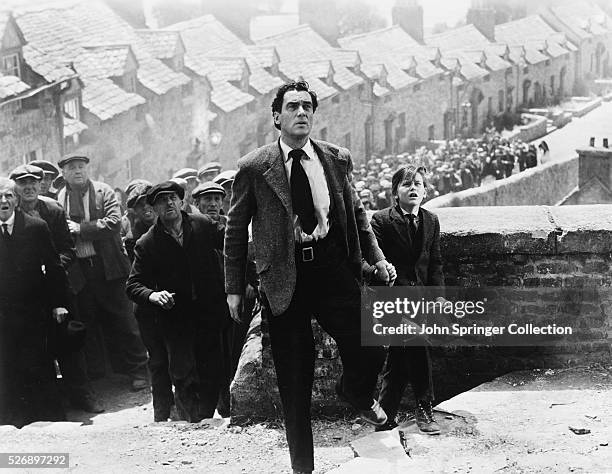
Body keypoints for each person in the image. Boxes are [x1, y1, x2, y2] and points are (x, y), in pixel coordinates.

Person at [224, 81, 393, 474]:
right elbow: (234, 229)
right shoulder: (255, 167)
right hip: (284, 278)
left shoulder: (335, 158)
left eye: (307, 107)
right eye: (293, 107)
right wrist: (234, 287)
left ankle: (355, 391)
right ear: (276, 117)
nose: (301, 113)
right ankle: (303, 467)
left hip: (332, 269)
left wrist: (378, 259)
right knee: (294, 380)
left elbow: (358, 216)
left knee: (373, 337)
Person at [126, 181, 226, 421]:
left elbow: (232, 249)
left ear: (182, 201)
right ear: (155, 208)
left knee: (211, 368)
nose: (168, 203)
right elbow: (133, 285)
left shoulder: (203, 225)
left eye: (172, 198)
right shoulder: (148, 242)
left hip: (208, 312)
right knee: (182, 373)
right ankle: (191, 424)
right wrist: (153, 295)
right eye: (162, 200)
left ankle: (206, 418)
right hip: (175, 318)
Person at [9, 164, 103, 414]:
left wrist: (47, 269)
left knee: (68, 342)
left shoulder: (53, 210)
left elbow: (67, 250)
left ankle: (83, 395)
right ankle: (47, 402)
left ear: (41, 185)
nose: (28, 188)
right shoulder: (9, 212)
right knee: (34, 347)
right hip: (27, 295)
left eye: (33, 182)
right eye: (22, 183)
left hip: (58, 286)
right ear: (14, 188)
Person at [56, 153, 149, 391]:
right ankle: (99, 372)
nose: (77, 171)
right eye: (71, 168)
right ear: (64, 174)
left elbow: (114, 223)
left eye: (81, 167)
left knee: (123, 318)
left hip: (108, 266)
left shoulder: (103, 191)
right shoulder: (62, 197)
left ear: (87, 169)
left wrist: (80, 228)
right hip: (80, 268)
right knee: (88, 319)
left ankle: (138, 369)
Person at [369, 165, 444, 434]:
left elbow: (434, 263)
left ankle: (385, 415)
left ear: (425, 191)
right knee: (416, 346)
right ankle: (424, 408)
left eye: (419, 184)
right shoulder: (381, 221)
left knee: (400, 358)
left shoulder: (431, 220)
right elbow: (370, 260)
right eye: (406, 184)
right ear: (395, 191)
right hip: (393, 300)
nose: (413, 188)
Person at [0, 177, 70, 427]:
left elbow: (54, 267)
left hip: (33, 311)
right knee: (7, 364)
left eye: (8, 195)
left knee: (38, 362)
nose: (3, 201)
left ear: (17, 200)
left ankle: (48, 420)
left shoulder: (36, 227)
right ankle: (13, 422)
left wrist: (58, 303)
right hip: (3, 315)